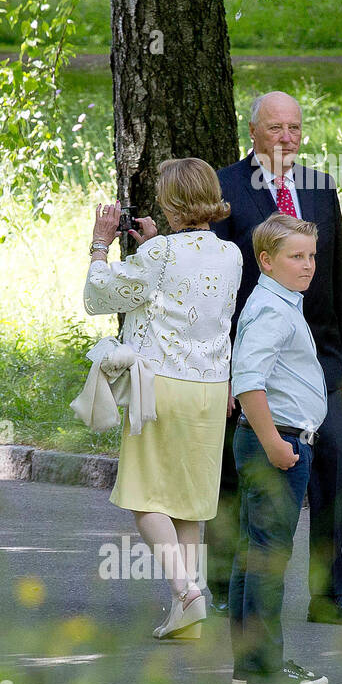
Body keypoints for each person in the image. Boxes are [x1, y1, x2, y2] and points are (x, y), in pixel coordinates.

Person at [210, 91, 342, 625]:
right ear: (253, 131)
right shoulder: (227, 187)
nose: (287, 138)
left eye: (295, 128)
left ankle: (329, 595)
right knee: (245, 477)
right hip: (253, 359)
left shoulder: (320, 186)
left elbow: (337, 270)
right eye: (276, 128)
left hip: (318, 355)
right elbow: (218, 285)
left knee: (332, 468)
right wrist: (227, 367)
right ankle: (233, 590)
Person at [83, 159, 243, 640]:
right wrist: (154, 245)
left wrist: (99, 244)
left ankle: (186, 591)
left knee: (146, 493)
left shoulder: (159, 256)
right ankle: (185, 611)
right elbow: (189, 293)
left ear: (171, 203)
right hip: (212, 388)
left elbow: (100, 296)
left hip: (161, 383)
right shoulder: (232, 254)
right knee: (189, 502)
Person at [228, 214, 331, 684]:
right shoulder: (272, 309)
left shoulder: (278, 301)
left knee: (253, 552)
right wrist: (275, 443)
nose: (308, 265)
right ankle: (266, 667)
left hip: (276, 438)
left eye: (311, 255)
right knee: (268, 555)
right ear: (266, 261)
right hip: (278, 441)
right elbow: (248, 380)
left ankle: (250, 664)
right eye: (296, 256)